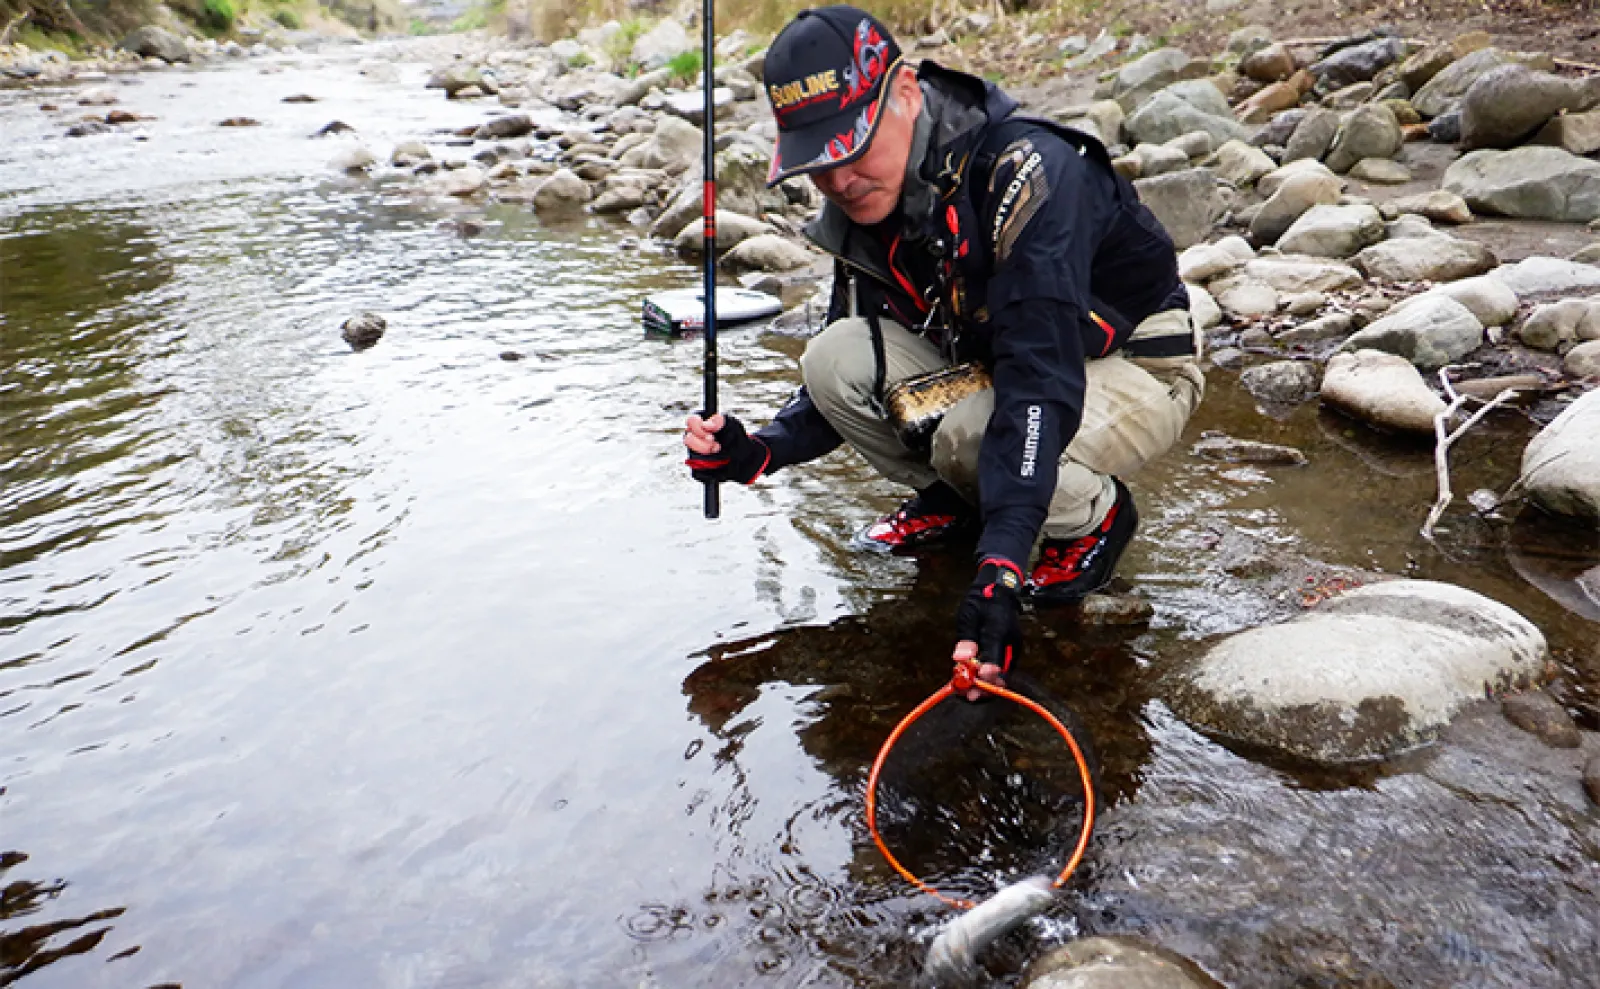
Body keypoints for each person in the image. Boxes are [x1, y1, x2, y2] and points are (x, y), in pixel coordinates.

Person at [683, 5, 1204, 688]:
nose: (838, 181)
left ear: (904, 92)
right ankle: (962, 500)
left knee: (972, 436)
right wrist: (760, 451)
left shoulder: (1029, 175)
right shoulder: (868, 202)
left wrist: (1001, 565)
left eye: (852, 147)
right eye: (819, 161)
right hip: (998, 361)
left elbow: (1037, 380)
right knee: (833, 358)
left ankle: (1095, 518)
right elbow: (852, 365)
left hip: (1136, 361)